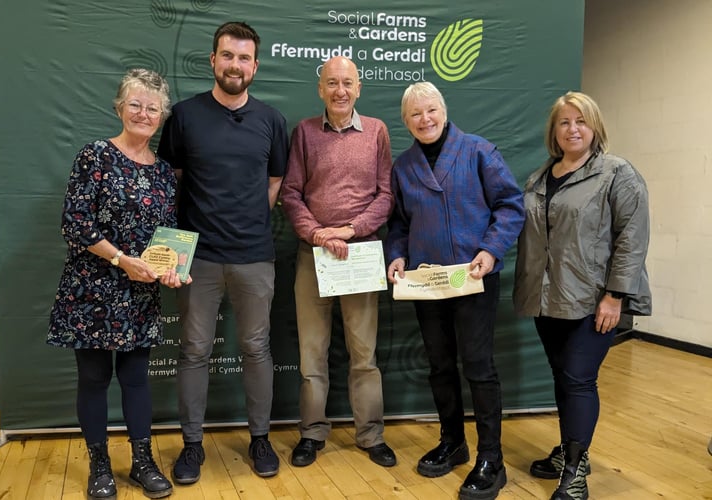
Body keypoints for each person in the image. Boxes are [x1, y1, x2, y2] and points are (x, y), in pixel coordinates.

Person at [157, 21, 288, 481]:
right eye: (227, 56)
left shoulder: (272, 120)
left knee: (255, 347)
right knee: (193, 349)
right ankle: (192, 445)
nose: (235, 65)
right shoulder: (185, 116)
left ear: (256, 65)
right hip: (198, 257)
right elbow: (170, 179)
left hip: (255, 254)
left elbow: (275, 180)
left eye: (244, 57)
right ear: (213, 60)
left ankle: (260, 438)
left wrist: (248, 217)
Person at [47, 68, 183, 500]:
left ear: (161, 116)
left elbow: (168, 237)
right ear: (120, 107)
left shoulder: (163, 173)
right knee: (92, 377)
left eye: (152, 107)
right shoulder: (94, 156)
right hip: (91, 289)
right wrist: (123, 260)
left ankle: (142, 463)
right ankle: (100, 466)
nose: (143, 113)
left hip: (140, 292)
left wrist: (173, 268)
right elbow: (75, 224)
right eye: (135, 104)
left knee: (137, 378)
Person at [385, 81, 524, 500]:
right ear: (405, 121)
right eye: (415, 114)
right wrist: (396, 255)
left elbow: (511, 205)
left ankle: (491, 459)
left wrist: (491, 249)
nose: (424, 119)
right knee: (440, 364)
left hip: (473, 275)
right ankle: (453, 441)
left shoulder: (480, 150)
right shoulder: (403, 166)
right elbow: (399, 224)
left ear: (444, 111)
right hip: (427, 281)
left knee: (479, 367)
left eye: (431, 111)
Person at [513, 91, 651, 500]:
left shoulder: (617, 173)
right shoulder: (539, 177)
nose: (573, 129)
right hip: (547, 298)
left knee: (578, 379)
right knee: (563, 377)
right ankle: (569, 449)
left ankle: (575, 472)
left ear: (595, 127)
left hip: (594, 301)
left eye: (581, 121)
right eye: (564, 122)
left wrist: (615, 296)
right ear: (554, 131)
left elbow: (632, 237)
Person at [279, 56, 396, 468]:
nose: (340, 91)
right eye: (332, 83)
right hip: (313, 256)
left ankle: (370, 435)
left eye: (347, 83)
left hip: (359, 254)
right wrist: (318, 234)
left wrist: (349, 231)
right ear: (320, 89)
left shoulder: (378, 131)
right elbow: (291, 193)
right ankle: (311, 433)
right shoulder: (305, 133)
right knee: (312, 352)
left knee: (364, 353)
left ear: (359, 88)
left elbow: (386, 195)